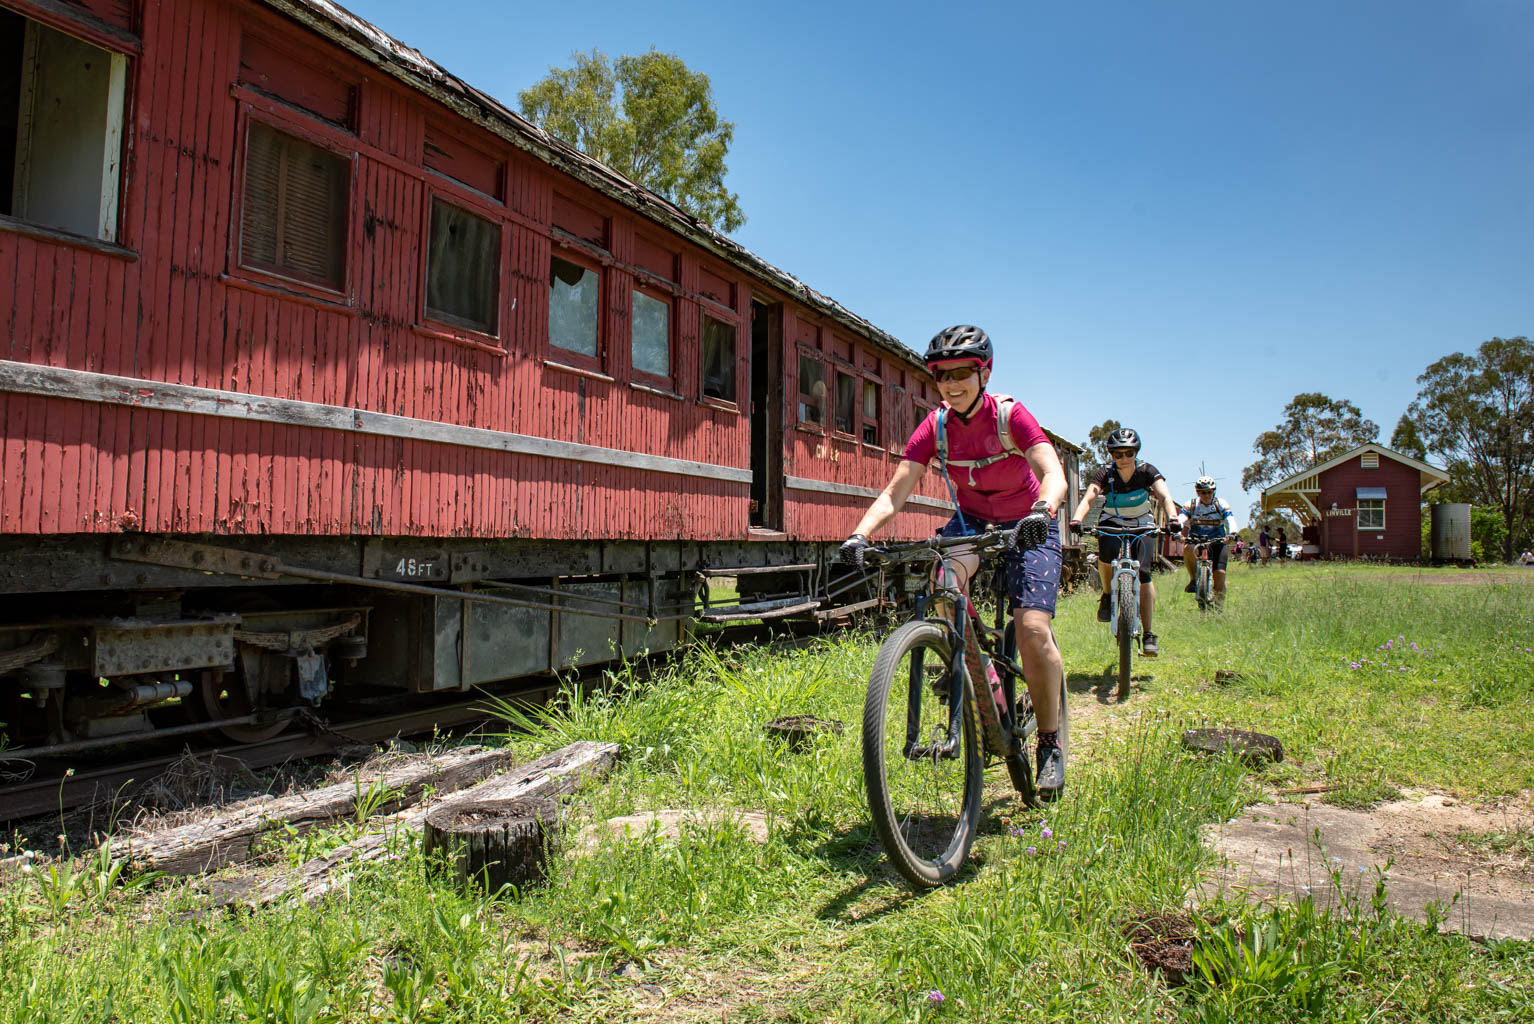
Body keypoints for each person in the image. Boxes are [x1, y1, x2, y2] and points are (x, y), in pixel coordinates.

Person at [837, 325, 1070, 798]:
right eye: (942, 374)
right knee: (941, 583)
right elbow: (896, 489)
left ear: (983, 373)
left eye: (963, 372)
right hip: (972, 521)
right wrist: (860, 534)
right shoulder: (936, 426)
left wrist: (1042, 512)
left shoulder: (1010, 416)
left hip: (1028, 522)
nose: (951, 382)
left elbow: (1054, 474)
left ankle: (1050, 743)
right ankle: (962, 657)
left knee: (1031, 629)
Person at [1069, 427, 1181, 656]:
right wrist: (1076, 519)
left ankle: (1148, 633)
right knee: (1105, 557)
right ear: (1111, 454)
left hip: (1142, 522)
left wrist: (1173, 518)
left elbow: (1164, 495)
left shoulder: (1147, 470)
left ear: (1135, 452)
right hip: (1112, 521)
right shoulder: (1105, 473)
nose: (1123, 458)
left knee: (1145, 573)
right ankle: (1108, 595)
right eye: (1118, 454)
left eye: (1128, 453)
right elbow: (1089, 496)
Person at [1177, 476, 1235, 606]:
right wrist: (1177, 532)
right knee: (1188, 548)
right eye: (1203, 492)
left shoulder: (1220, 504)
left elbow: (1229, 519)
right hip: (1197, 540)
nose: (1207, 495)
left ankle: (1219, 609)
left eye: (1210, 492)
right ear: (1197, 492)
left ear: (1214, 491)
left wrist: (1232, 533)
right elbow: (1181, 518)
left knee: (1220, 575)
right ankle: (1193, 579)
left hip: (1217, 542)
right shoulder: (1191, 505)